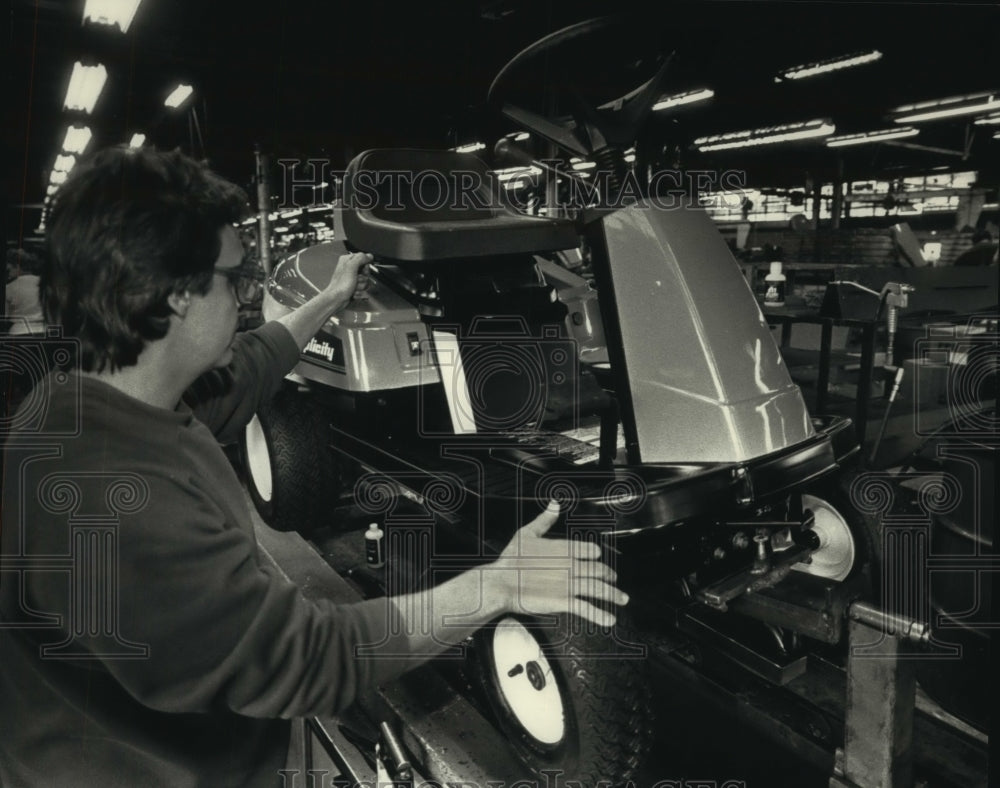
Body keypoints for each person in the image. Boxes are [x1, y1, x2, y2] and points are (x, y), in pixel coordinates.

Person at [0, 146, 625, 787]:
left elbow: (254, 362)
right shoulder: (101, 495)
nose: (246, 297)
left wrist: (330, 298)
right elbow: (306, 661)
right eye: (235, 280)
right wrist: (497, 585)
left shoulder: (109, 396)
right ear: (176, 294)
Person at [4, 247, 45, 335]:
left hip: (19, 331)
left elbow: (5, 315)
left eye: (9, 270)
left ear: (17, 267)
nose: (8, 274)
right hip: (44, 330)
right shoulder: (44, 284)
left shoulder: (9, 288)